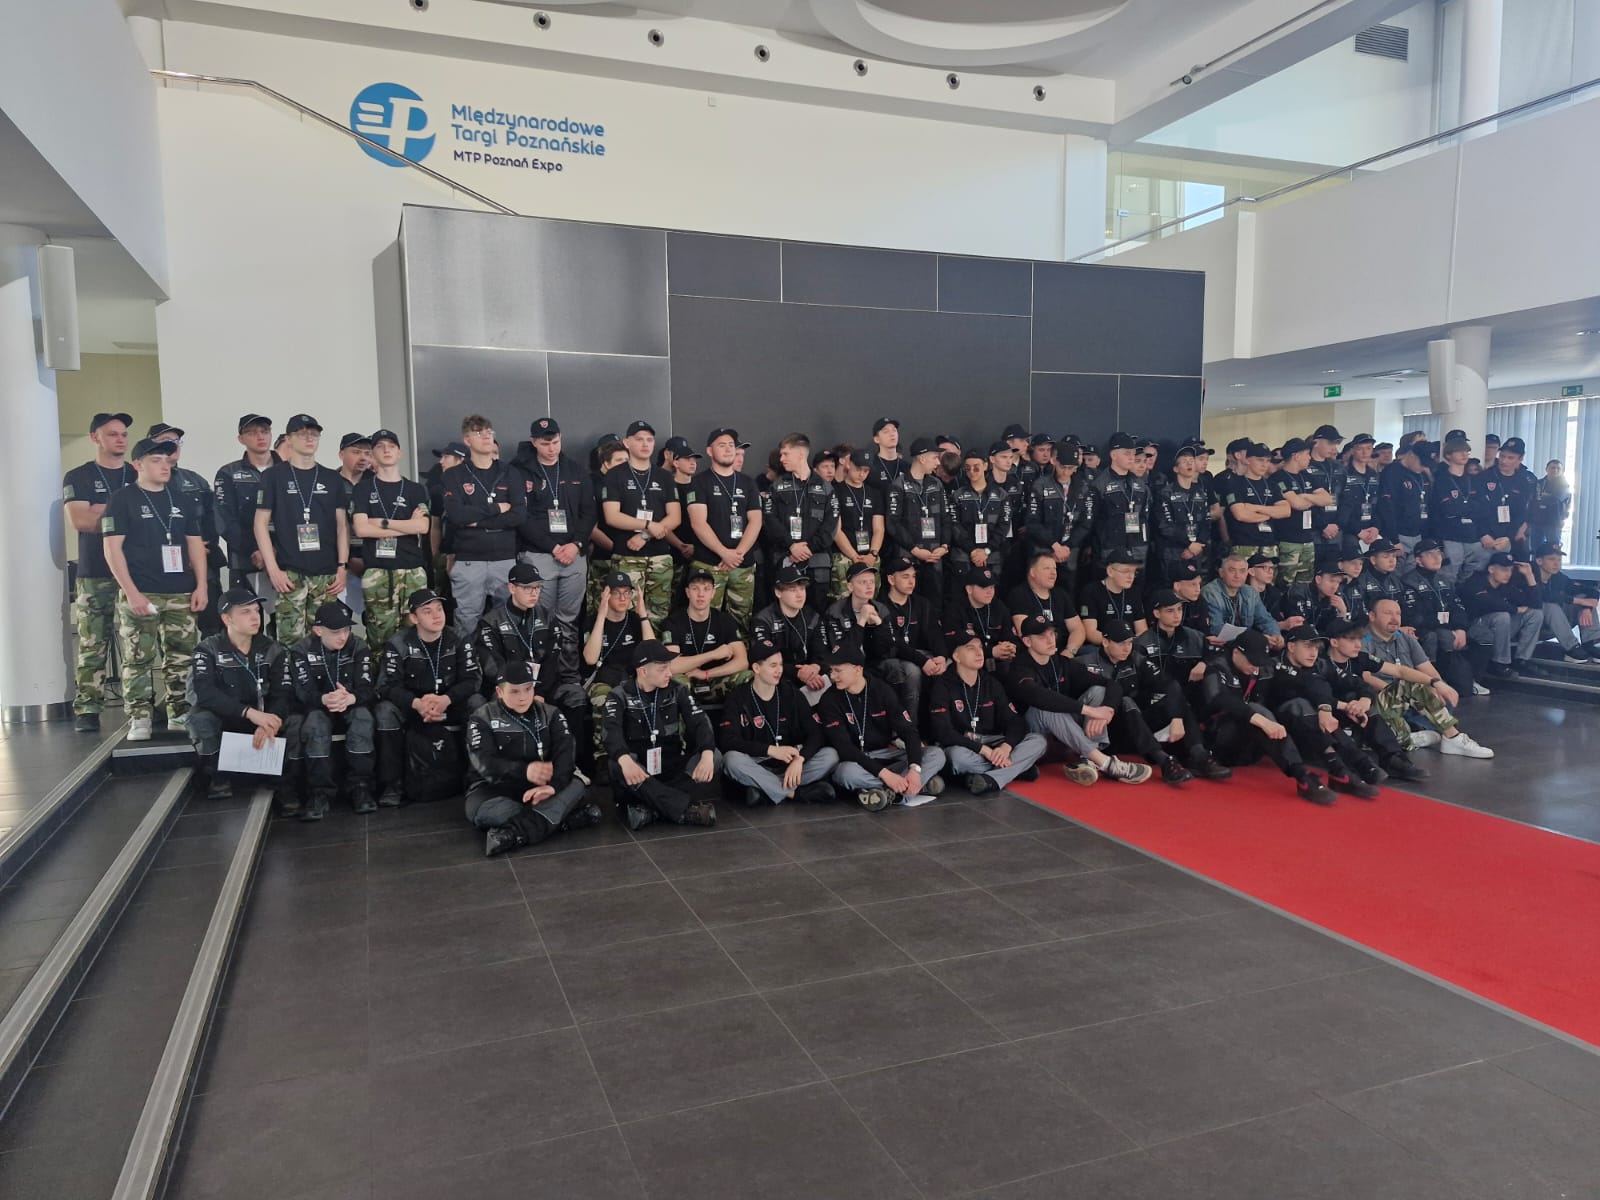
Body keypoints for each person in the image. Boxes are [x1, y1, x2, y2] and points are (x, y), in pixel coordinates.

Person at [101, 438, 208, 741]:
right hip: (141, 590)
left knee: (182, 657)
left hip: (180, 590)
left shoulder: (182, 499)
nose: (165, 466)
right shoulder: (122, 499)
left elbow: (195, 545)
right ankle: (139, 716)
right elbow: (112, 549)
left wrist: (201, 585)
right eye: (156, 460)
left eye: (167, 460)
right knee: (138, 657)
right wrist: (131, 592)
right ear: (138, 465)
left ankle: (179, 711)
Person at [466, 659, 600, 857]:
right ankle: (561, 820)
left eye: (528, 689)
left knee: (577, 785)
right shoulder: (481, 718)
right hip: (495, 790)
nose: (522, 697)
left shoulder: (551, 713)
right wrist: (524, 770)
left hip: (543, 789)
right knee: (490, 813)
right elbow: (484, 763)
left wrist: (553, 787)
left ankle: (514, 834)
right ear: (500, 691)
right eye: (514, 691)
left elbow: (566, 754)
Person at [1003, 615, 1153, 786]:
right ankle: (1105, 763)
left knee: (1098, 691)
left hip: (1066, 737)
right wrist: (1090, 711)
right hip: (1034, 738)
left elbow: (1111, 684)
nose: (1050, 640)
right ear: (1027, 641)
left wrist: (1107, 710)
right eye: (1042, 637)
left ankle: (1088, 759)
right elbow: (1040, 697)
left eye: (1052, 634)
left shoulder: (1060, 662)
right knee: (1047, 708)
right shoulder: (1019, 667)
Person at [1194, 630, 1337, 805]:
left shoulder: (1265, 668)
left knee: (1295, 707)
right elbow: (1218, 698)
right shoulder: (1217, 666)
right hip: (1215, 740)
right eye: (1252, 661)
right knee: (1258, 710)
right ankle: (1302, 775)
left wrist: (1327, 706)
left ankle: (1326, 770)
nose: (1255, 668)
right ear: (1236, 653)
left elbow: (1308, 682)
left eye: (1259, 662)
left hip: (1250, 745)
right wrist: (1258, 718)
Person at [374, 588, 484, 805]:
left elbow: (473, 679)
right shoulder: (398, 643)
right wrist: (416, 703)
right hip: (414, 706)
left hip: (449, 703)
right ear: (414, 618)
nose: (436, 616)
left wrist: (446, 700)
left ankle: (477, 778)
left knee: (478, 704)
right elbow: (386, 686)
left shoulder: (459, 638)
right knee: (384, 711)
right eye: (427, 611)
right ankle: (392, 785)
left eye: (439, 609)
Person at [186, 589, 297, 801]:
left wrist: (269, 721)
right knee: (199, 719)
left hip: (263, 719)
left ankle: (285, 784)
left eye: (256, 610)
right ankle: (217, 779)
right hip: (228, 717)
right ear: (227, 619)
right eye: (246, 612)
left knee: (297, 719)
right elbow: (205, 693)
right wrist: (249, 713)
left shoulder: (272, 649)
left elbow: (283, 692)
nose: (255, 617)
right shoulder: (208, 649)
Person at [63, 411, 135, 732]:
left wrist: (100, 510)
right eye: (112, 434)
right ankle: (88, 707)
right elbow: (80, 520)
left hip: (135, 571)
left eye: (123, 434)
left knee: (138, 642)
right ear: (95, 438)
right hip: (95, 572)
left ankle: (140, 705)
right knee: (93, 642)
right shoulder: (78, 476)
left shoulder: (137, 473)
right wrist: (123, 512)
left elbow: (145, 519)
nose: (120, 439)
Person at [253, 414, 350, 647]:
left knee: (325, 640)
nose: (309, 439)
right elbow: (259, 524)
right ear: (288, 439)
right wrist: (273, 569)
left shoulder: (332, 478)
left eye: (314, 434)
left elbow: (342, 526)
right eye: (303, 434)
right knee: (290, 641)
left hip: (326, 573)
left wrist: (342, 567)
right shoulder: (274, 476)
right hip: (290, 572)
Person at [603, 640, 719, 829]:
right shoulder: (619, 695)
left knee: (715, 757)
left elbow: (699, 721)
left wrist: (707, 754)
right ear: (643, 671)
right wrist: (625, 760)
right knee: (616, 764)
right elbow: (610, 731)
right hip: (639, 773)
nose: (669, 673)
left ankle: (651, 810)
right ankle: (684, 811)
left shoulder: (677, 690)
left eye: (669, 667)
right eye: (662, 669)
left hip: (670, 768)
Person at [817, 642, 946, 810]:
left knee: (936, 754)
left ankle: (890, 790)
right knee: (844, 773)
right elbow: (844, 748)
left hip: (886, 754)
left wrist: (914, 770)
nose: (832, 676)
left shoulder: (881, 690)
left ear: (858, 669)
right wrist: (885, 775)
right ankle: (907, 790)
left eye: (838, 671)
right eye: (831, 671)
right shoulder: (829, 700)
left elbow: (909, 731)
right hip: (856, 760)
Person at [1074, 621, 1203, 784]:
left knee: (1178, 701)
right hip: (1103, 732)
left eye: (1129, 642)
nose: (1126, 648)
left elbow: (1169, 684)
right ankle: (1164, 760)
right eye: (1121, 643)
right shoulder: (1083, 663)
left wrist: (1176, 717)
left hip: (1135, 726)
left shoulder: (1136, 659)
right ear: (1105, 642)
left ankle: (1200, 755)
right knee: (1125, 700)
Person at [1361, 599, 1494, 758]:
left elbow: (1427, 669)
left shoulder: (1404, 637)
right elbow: (1366, 678)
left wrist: (1438, 686)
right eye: (1387, 613)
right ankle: (1450, 736)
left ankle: (1411, 731)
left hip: (1411, 697)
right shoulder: (1362, 640)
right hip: (1382, 697)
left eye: (1398, 613)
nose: (1394, 618)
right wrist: (1400, 694)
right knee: (1413, 688)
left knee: (1442, 693)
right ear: (1372, 616)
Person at [717, 635, 840, 806]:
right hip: (757, 762)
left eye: (781, 665)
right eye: (773, 665)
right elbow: (728, 740)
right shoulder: (738, 697)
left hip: (789, 763)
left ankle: (763, 788)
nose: (779, 670)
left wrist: (801, 759)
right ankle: (794, 793)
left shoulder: (791, 693)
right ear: (756, 668)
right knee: (732, 760)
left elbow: (816, 733)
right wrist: (770, 750)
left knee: (830, 756)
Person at [1262, 627, 1384, 798]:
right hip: (1278, 731)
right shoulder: (1274, 665)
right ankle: (1342, 768)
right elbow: (1307, 687)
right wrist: (1335, 707)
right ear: (1291, 646)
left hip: (1312, 729)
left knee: (1345, 708)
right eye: (1307, 647)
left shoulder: (1320, 663)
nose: (1313, 653)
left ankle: (1355, 765)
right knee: (1301, 704)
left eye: (1316, 648)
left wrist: (1364, 700)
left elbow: (1357, 683)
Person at [476, 562, 589, 745]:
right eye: (527, 588)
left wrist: (539, 692)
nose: (534, 593)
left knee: (575, 695)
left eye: (537, 587)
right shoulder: (491, 622)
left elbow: (553, 660)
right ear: (512, 588)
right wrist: (524, 692)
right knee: (499, 700)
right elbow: (494, 667)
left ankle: (572, 755)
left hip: (544, 686)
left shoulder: (548, 617)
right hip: (511, 688)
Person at [927, 630, 1047, 794]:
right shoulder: (942, 685)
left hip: (993, 741)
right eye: (970, 648)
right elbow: (944, 732)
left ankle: (990, 778)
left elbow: (1015, 721)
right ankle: (1016, 769)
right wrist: (983, 750)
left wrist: (1006, 747)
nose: (979, 653)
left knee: (1038, 741)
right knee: (956, 757)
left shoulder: (991, 683)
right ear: (956, 656)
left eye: (980, 647)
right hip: (964, 745)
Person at [288, 600, 377, 819]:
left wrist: (351, 698)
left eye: (346, 630)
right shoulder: (301, 650)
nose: (343, 636)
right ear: (318, 630)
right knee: (314, 724)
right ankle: (320, 793)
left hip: (350, 702)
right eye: (336, 631)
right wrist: (324, 699)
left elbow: (368, 687)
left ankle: (360, 787)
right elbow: (302, 692)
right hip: (318, 705)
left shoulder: (358, 646)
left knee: (363, 718)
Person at [347, 429, 432, 658]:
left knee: (415, 632)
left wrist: (383, 523)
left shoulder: (415, 489)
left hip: (412, 569)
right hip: (378, 570)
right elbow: (361, 529)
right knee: (379, 636)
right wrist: (406, 525)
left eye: (391, 446)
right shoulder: (363, 488)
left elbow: (423, 527)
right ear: (373, 454)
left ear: (399, 453)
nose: (386, 450)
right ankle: (381, 678)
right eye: (380, 446)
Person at [442, 414, 524, 635]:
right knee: (467, 619)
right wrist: (497, 508)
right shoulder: (454, 475)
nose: (486, 436)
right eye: (479, 433)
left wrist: (475, 519)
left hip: (504, 558)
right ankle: (467, 658)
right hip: (469, 559)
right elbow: (457, 515)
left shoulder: (510, 472)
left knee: (508, 619)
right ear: (467, 440)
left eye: (489, 432)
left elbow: (518, 515)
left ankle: (505, 658)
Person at [512, 416, 595, 629]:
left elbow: (589, 512)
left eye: (555, 442)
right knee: (540, 616)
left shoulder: (575, 470)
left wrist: (576, 544)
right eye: (545, 444)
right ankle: (541, 652)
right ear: (533, 442)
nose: (551, 449)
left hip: (573, 553)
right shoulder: (520, 471)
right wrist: (553, 547)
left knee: (570, 618)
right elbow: (521, 516)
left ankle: (567, 652)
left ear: (561, 438)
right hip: (538, 553)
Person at [685, 427, 762, 635]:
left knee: (742, 621)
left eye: (731, 445)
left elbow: (755, 521)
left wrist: (737, 554)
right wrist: (724, 553)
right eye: (722, 445)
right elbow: (698, 523)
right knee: (705, 618)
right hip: (709, 564)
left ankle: (738, 654)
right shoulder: (699, 482)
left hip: (742, 564)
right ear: (709, 451)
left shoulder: (747, 482)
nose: (728, 449)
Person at [761, 432, 840, 612]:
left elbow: (830, 525)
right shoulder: (777, 486)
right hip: (786, 559)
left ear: (801, 454)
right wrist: (791, 546)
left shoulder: (826, 488)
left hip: (817, 563)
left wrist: (808, 548)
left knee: (817, 613)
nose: (781, 459)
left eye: (785, 454)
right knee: (783, 612)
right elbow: (770, 520)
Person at [582, 570, 656, 752]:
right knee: (604, 696)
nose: (623, 598)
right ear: (606, 595)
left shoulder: (635, 620)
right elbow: (590, 659)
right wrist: (601, 615)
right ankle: (603, 754)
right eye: (616, 593)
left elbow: (653, 653)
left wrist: (643, 615)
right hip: (602, 681)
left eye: (627, 593)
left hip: (631, 679)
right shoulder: (592, 620)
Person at [213, 413, 277, 622]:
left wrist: (275, 552)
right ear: (241, 439)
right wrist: (254, 550)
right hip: (245, 560)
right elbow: (225, 521)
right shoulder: (228, 473)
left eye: (264, 431)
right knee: (248, 623)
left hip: (283, 560)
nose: (260, 436)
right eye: (252, 432)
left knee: (286, 623)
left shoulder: (287, 470)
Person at [661, 566, 751, 703]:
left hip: (715, 678)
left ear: (713, 593)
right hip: (687, 677)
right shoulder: (674, 621)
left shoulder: (724, 620)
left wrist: (706, 674)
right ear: (687, 592)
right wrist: (713, 654)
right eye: (695, 588)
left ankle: (736, 716)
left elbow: (742, 662)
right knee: (675, 681)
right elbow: (672, 665)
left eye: (706, 589)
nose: (701, 594)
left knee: (747, 677)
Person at [1398, 539, 1476, 695]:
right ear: (1418, 560)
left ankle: (1451, 680)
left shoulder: (1445, 580)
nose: (1436, 558)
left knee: (1453, 636)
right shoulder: (1408, 581)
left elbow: (1457, 607)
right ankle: (1429, 683)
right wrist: (1445, 622)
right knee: (1436, 636)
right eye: (1430, 554)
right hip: (1420, 630)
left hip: (1442, 628)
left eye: (1439, 553)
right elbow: (1416, 618)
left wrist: (1460, 628)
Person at [876, 555, 948, 717]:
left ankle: (941, 724)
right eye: (905, 577)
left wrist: (941, 656)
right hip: (890, 658)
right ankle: (909, 727)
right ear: (891, 579)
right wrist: (923, 661)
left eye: (913, 576)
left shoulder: (921, 603)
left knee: (949, 665)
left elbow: (935, 633)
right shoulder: (879, 606)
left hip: (919, 655)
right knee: (912, 671)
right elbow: (893, 643)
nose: (911, 582)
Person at [887, 437, 953, 612]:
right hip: (908, 556)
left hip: (934, 555)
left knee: (934, 605)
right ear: (922, 458)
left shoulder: (937, 484)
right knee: (909, 605)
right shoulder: (899, 485)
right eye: (935, 458)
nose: (938, 463)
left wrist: (944, 546)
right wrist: (915, 549)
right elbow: (893, 523)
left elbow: (946, 518)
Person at [1458, 551, 1542, 679]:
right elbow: (1489, 602)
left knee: (1535, 614)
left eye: (1510, 570)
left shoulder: (1506, 586)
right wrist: (1514, 609)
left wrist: (1529, 576)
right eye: (1504, 570)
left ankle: (1522, 659)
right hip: (1472, 628)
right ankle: (1499, 663)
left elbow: (1536, 604)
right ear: (1491, 569)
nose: (1508, 574)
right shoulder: (1476, 581)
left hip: (1498, 629)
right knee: (1502, 616)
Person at [1023, 437, 1089, 596]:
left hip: (1070, 551)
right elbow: (1032, 522)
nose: (1066, 471)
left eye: (1071, 468)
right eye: (1063, 466)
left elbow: (1086, 522)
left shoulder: (1083, 487)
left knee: (1067, 593)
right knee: (1040, 591)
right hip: (1044, 549)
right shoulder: (1040, 485)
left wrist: (1068, 546)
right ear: (1054, 461)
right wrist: (1055, 545)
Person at [1084, 431, 1152, 575]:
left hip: (1137, 552)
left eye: (1133, 453)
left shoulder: (1141, 485)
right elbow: (1091, 522)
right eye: (1127, 453)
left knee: (1136, 588)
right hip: (1109, 553)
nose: (1131, 457)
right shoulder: (1099, 485)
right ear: (1113, 455)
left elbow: (1145, 518)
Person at [948, 449, 1013, 596]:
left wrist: (986, 551)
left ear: (985, 465)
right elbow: (954, 526)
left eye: (976, 467)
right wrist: (972, 550)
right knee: (961, 596)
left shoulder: (1001, 495)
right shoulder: (957, 495)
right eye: (968, 468)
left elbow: (1003, 527)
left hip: (992, 556)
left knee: (991, 596)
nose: (972, 472)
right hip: (964, 555)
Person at [1152, 442, 1216, 586]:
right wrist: (1188, 544)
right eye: (1184, 461)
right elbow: (1165, 526)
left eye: (1191, 460)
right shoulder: (1165, 493)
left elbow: (1206, 522)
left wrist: (1197, 545)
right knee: (1173, 589)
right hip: (1174, 553)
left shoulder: (1200, 493)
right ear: (1176, 469)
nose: (1189, 464)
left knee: (1195, 588)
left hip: (1197, 551)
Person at [1007, 550, 1086, 656]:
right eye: (1047, 568)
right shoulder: (1019, 595)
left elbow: (1077, 629)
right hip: (1038, 655)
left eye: (1055, 568)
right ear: (1032, 572)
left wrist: (1070, 651)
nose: (1053, 573)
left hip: (1065, 652)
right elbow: (1025, 633)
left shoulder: (1060, 594)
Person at [831, 447, 886, 598]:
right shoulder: (836, 491)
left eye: (866, 471)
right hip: (845, 556)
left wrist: (873, 553)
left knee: (870, 599)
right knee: (843, 599)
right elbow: (836, 530)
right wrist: (854, 556)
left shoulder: (874, 494)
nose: (861, 474)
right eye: (858, 469)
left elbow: (879, 528)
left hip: (870, 556)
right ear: (848, 464)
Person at [1222, 442, 1289, 564]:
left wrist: (1255, 508)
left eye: (1267, 461)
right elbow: (1240, 514)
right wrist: (1271, 514)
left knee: (1269, 575)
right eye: (1260, 460)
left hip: (1269, 544)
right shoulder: (1235, 483)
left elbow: (1285, 511)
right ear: (1248, 460)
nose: (1264, 464)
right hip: (1244, 543)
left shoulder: (1272, 485)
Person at [1533, 542, 1600, 661]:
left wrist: (1587, 608)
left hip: (1554, 624)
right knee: (1550, 605)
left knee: (1584, 598)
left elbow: (1590, 591)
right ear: (1539, 561)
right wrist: (1578, 601)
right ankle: (1571, 647)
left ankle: (1591, 643)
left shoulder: (1558, 577)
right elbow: (1542, 596)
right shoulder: (1528, 574)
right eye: (1551, 559)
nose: (1556, 563)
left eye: (1559, 559)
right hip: (1533, 626)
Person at [1473, 436, 1536, 563]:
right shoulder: (1484, 477)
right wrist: (1483, 534)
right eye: (1502, 456)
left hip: (1514, 534)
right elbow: (1476, 509)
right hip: (1487, 535)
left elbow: (1526, 511)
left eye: (1510, 458)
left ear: (1520, 459)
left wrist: (1510, 536)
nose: (1504, 461)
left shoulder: (1526, 480)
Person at [823, 561, 894, 670]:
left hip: (874, 664)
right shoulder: (835, 612)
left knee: (900, 668)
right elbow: (842, 653)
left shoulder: (881, 609)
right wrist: (861, 621)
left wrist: (879, 624)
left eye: (872, 581)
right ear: (850, 586)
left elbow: (888, 650)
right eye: (863, 582)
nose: (869, 586)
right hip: (845, 667)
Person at [1429, 434, 1479, 586]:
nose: (1464, 454)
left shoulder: (1472, 479)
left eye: (1467, 451)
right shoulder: (1442, 479)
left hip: (1470, 532)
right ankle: (1447, 596)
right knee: (1451, 568)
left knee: (1473, 565)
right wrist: (1465, 509)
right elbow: (1447, 508)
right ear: (1449, 455)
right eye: (1459, 451)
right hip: (1449, 532)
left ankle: (1462, 592)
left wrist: (1464, 509)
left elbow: (1479, 506)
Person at [944, 565, 1017, 669]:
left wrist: (1010, 647)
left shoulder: (999, 606)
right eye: (984, 587)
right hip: (967, 663)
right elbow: (953, 647)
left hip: (998, 661)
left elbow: (1010, 636)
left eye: (992, 587)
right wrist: (991, 652)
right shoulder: (955, 609)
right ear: (969, 589)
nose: (990, 592)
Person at [334, 432, 373, 623]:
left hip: (373, 562)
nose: (363, 457)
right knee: (338, 622)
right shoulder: (329, 482)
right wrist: (347, 561)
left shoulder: (377, 482)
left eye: (367, 453)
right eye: (356, 452)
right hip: (338, 565)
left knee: (376, 623)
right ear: (341, 454)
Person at [1203, 554, 1282, 644]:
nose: (1237, 576)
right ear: (1221, 573)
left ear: (1247, 573)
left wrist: (1275, 635)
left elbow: (1265, 619)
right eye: (1232, 570)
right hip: (1222, 644)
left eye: (1242, 571)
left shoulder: (1251, 592)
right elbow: (1217, 629)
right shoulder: (1211, 592)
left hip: (1246, 642)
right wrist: (1257, 638)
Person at [1377, 439, 1433, 555]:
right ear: (1411, 455)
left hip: (1418, 533)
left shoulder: (1423, 474)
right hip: (1399, 533)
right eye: (1421, 463)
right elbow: (1387, 507)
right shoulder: (1392, 472)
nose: (1422, 467)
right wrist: (1394, 539)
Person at [1079, 549, 1146, 646]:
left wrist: (1128, 645)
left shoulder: (1134, 592)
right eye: (1126, 571)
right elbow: (1091, 633)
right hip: (1101, 647)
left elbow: (1142, 630)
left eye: (1134, 572)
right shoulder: (1091, 591)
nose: (1131, 576)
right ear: (1110, 571)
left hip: (1130, 646)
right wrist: (1115, 644)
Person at [1303, 424, 1348, 551]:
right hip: (1312, 530)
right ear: (1316, 442)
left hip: (1335, 531)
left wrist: (1338, 524)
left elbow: (1346, 499)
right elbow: (1304, 500)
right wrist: (1323, 526)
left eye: (1336, 443)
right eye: (1329, 443)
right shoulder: (1304, 467)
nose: (1334, 448)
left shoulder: (1339, 468)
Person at [1339, 433, 1383, 555]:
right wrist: (1358, 531)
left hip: (1370, 527)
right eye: (1360, 449)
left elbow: (1376, 505)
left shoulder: (1373, 475)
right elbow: (1341, 508)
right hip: (1350, 531)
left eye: (1368, 448)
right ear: (1353, 450)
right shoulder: (1344, 474)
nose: (1365, 452)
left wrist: (1376, 527)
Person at [1529, 460, 1571, 553]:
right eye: (1552, 468)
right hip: (1537, 520)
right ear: (1546, 469)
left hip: (1554, 521)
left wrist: (1543, 497)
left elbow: (1555, 499)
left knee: (1553, 550)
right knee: (1536, 549)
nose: (1555, 470)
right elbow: (1532, 499)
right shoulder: (1539, 483)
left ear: (1562, 471)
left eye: (1558, 468)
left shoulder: (1564, 486)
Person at [868, 416, 905, 491]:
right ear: (876, 439)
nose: (892, 434)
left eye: (894, 430)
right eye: (886, 431)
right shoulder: (870, 466)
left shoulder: (907, 467)